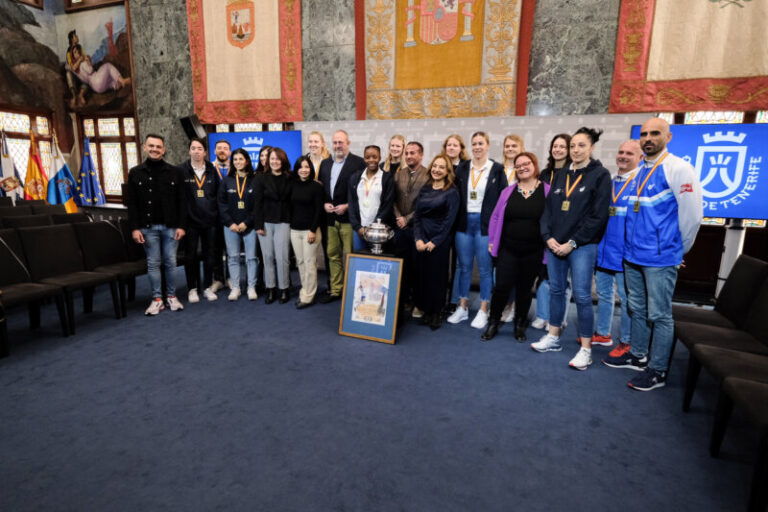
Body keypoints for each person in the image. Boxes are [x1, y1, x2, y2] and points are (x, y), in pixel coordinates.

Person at [603, 117, 702, 391]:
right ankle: (637, 355)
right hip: (632, 256)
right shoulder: (640, 171)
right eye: (644, 134)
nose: (648, 138)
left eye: (655, 133)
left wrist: (678, 250)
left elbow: (692, 216)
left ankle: (657, 370)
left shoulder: (678, 169)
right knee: (636, 308)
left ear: (667, 137)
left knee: (660, 315)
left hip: (660, 259)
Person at [532, 127, 611, 371]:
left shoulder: (600, 175)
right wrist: (547, 237)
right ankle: (554, 336)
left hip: (582, 246)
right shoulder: (561, 174)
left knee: (583, 296)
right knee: (556, 290)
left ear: (592, 148)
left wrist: (573, 243)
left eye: (581, 146)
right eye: (573, 146)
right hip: (555, 245)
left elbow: (598, 217)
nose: (575, 150)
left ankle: (586, 350)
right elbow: (548, 211)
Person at [483, 152, 548, 342]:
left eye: (526, 164)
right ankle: (493, 322)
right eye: (518, 166)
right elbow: (495, 217)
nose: (522, 168)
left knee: (524, 289)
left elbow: (552, 220)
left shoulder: (547, 191)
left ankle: (520, 324)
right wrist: (492, 241)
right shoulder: (508, 191)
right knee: (501, 287)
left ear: (534, 165)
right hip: (508, 249)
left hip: (533, 251)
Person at [446, 131, 505, 329]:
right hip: (464, 224)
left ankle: (483, 309)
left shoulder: (496, 169)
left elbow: (502, 200)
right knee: (463, 267)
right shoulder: (462, 168)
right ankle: (462, 307)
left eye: (481, 143)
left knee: (485, 269)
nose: (477, 147)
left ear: (488, 145)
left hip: (485, 225)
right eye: (474, 143)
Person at [124, 134, 187, 315]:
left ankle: (172, 297)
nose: (155, 149)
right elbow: (132, 203)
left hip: (171, 227)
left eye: (158, 146)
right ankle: (157, 299)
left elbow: (182, 201)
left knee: (170, 262)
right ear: (145, 147)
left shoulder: (175, 172)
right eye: (151, 146)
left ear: (164, 150)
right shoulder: (136, 172)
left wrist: (182, 226)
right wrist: (135, 228)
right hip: (147, 227)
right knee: (153, 263)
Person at [592, 140, 642, 352]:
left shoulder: (641, 183)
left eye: (629, 153)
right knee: (603, 294)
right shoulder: (611, 181)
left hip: (627, 254)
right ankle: (603, 333)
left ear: (640, 157)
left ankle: (627, 341)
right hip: (605, 251)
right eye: (621, 152)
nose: (623, 156)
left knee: (627, 299)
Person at [412, 154, 460, 330]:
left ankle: (436, 312)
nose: (437, 170)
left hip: (439, 240)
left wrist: (435, 241)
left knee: (437, 277)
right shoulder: (425, 188)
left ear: (447, 171)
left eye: (441, 167)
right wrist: (418, 238)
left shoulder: (452, 191)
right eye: (435, 166)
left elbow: (450, 221)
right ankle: (425, 309)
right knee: (422, 275)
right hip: (421, 239)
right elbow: (417, 216)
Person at [317, 130, 365, 303]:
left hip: (349, 220)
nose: (337, 145)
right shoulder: (324, 163)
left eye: (341, 142)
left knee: (351, 256)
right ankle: (336, 290)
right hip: (330, 219)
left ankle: (353, 292)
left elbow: (365, 192)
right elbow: (320, 189)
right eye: (335, 142)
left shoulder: (359, 163)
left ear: (348, 143)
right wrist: (324, 204)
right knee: (333, 255)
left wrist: (348, 206)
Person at [531, 133, 572, 330]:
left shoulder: (573, 173)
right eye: (555, 146)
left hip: (563, 233)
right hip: (544, 231)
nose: (558, 150)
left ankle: (558, 318)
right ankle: (542, 314)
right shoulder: (545, 174)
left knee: (560, 279)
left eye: (562, 147)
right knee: (543, 275)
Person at [179, 137, 219, 303]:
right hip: (190, 222)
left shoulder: (211, 168)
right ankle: (192, 288)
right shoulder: (181, 170)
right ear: (189, 150)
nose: (196, 151)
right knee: (191, 256)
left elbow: (216, 194)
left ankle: (207, 287)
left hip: (210, 221)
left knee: (210, 255)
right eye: (193, 148)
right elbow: (179, 198)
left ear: (205, 152)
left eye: (199, 148)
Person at [392, 141, 429, 315]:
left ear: (421, 155)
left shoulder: (429, 174)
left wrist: (408, 218)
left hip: (418, 229)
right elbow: (392, 198)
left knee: (418, 268)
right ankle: (404, 300)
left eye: (413, 153)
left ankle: (418, 303)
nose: (409, 156)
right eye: (407, 153)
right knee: (402, 267)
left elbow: (426, 203)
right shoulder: (399, 174)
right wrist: (399, 217)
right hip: (400, 229)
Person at [218, 148, 259, 301]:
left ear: (247, 161)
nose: (238, 162)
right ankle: (235, 287)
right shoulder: (226, 181)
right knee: (233, 257)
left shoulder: (255, 181)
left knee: (251, 258)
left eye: (241, 159)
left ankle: (251, 286)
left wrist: (246, 222)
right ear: (231, 161)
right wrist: (230, 223)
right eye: (235, 159)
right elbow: (221, 204)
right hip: (231, 227)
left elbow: (257, 206)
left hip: (250, 226)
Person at [254, 147, 293, 304]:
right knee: (267, 257)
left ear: (283, 160)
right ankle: (270, 288)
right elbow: (257, 203)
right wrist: (258, 225)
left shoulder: (290, 177)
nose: (275, 161)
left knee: (282, 257)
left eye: (278, 159)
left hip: (284, 221)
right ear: (267, 161)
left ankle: (284, 288)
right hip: (265, 222)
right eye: (272, 159)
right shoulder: (260, 178)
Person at [289, 156, 324, 308]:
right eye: (301, 167)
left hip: (311, 231)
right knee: (301, 262)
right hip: (295, 230)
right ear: (296, 169)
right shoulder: (291, 185)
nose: (304, 170)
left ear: (311, 169)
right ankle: (305, 290)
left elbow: (319, 211)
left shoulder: (316, 187)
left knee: (310, 263)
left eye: (307, 167)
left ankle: (308, 296)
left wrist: (313, 230)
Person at [442, 134, 470, 317]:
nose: (451, 148)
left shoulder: (467, 167)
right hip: (442, 222)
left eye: (455, 145)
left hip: (461, 221)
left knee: (458, 264)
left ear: (461, 148)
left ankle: (454, 301)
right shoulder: (439, 165)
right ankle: (441, 299)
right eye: (448, 145)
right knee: (443, 263)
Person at [348, 145, 395, 251]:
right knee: (359, 262)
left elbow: (387, 206)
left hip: (377, 231)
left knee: (375, 262)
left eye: (374, 157)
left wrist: (372, 228)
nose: (371, 160)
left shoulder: (387, 178)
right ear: (364, 158)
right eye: (368, 157)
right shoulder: (355, 177)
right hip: (359, 230)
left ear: (380, 158)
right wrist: (358, 227)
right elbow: (351, 204)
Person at [209, 139, 232, 292]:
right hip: (214, 215)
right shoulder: (209, 167)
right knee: (216, 248)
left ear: (230, 152)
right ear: (215, 151)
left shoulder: (236, 167)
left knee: (231, 249)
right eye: (219, 148)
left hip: (232, 215)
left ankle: (231, 278)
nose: (222, 151)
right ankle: (218, 279)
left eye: (225, 148)